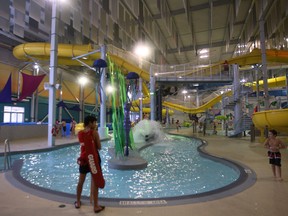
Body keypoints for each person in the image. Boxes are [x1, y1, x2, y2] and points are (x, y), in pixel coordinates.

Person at [75, 116, 105, 213]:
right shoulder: (94, 133)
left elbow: (83, 145)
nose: (96, 124)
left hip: (84, 159)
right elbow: (99, 147)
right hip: (93, 159)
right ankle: (96, 206)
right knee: (95, 181)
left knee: (81, 181)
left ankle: (78, 202)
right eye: (94, 122)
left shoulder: (80, 133)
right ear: (90, 123)